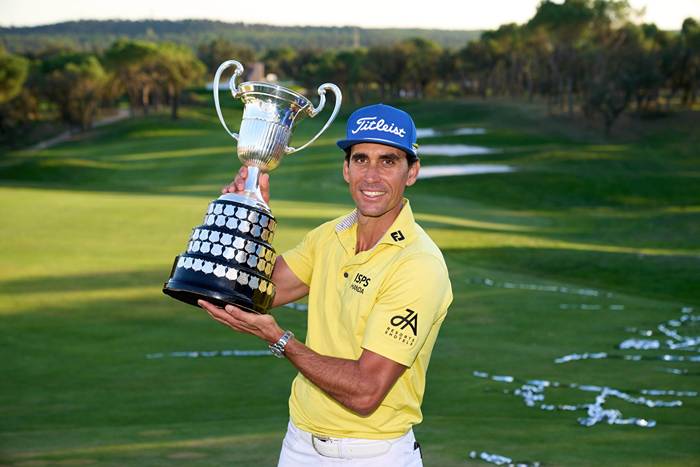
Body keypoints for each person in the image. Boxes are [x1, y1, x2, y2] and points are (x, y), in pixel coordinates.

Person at [199, 103, 452, 466]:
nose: (372, 176)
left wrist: (280, 340)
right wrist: (247, 218)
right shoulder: (330, 236)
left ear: (411, 172)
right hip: (299, 445)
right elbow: (251, 294)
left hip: (373, 454)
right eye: (361, 159)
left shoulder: (418, 264)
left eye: (389, 161)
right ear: (345, 169)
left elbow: (366, 392)